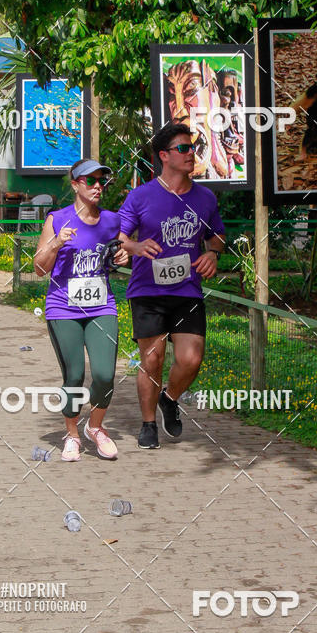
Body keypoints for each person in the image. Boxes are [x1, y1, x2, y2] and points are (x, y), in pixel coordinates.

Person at [119, 122, 226, 449]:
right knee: (152, 359)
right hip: (147, 291)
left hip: (186, 291)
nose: (191, 153)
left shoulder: (205, 197)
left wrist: (212, 253)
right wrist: (134, 247)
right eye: (183, 148)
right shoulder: (140, 196)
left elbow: (218, 235)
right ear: (164, 156)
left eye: (191, 147)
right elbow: (119, 237)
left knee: (191, 359)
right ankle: (148, 423)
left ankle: (170, 398)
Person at [34, 159, 127, 462]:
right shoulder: (57, 219)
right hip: (64, 309)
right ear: (75, 185)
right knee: (74, 375)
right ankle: (71, 434)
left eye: (102, 180)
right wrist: (56, 244)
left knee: (104, 374)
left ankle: (95, 427)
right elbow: (38, 268)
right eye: (91, 181)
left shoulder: (112, 221)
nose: (98, 185)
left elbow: (121, 252)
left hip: (102, 306)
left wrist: (124, 255)